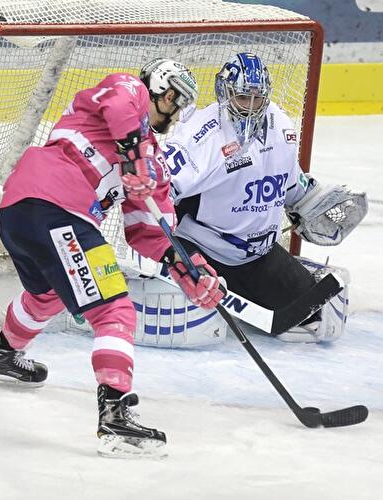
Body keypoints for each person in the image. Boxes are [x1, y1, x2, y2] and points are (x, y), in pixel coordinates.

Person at [0, 58, 224, 458]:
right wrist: (135, 155)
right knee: (114, 310)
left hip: (23, 213)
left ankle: (2, 353)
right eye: (176, 104)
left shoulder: (154, 165)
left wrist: (185, 266)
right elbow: (119, 104)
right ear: (165, 92)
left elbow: (147, 230)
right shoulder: (130, 91)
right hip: (58, 208)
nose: (176, 116)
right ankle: (115, 415)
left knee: (47, 295)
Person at [152, 52, 366, 344]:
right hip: (204, 252)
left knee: (315, 316)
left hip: (258, 256)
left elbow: (289, 183)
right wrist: (171, 255)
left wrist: (310, 201)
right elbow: (156, 193)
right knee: (193, 330)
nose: (251, 107)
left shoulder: (280, 125)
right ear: (225, 94)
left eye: (257, 99)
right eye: (243, 98)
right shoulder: (201, 136)